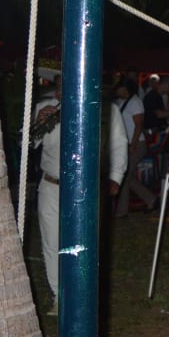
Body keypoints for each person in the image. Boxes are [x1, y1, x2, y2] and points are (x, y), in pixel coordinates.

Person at [32, 63, 128, 316]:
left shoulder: (105, 110)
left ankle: (84, 295)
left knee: (85, 240)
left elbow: (119, 144)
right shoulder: (44, 108)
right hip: (51, 184)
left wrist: (116, 177)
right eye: (60, 85)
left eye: (69, 84)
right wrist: (40, 124)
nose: (62, 90)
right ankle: (59, 296)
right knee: (51, 241)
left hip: (86, 187)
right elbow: (28, 143)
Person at [114, 76, 159, 217]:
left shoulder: (135, 102)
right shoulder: (120, 102)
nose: (117, 90)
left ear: (125, 89)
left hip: (136, 143)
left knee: (125, 177)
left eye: (119, 87)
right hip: (126, 144)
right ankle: (152, 200)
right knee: (127, 177)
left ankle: (121, 212)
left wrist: (133, 144)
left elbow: (139, 125)